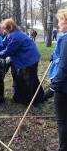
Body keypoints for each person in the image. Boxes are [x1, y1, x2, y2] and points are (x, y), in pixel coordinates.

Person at [0, 18, 44, 106]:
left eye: (4, 28)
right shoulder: (10, 34)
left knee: (28, 79)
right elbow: (3, 44)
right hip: (28, 57)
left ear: (9, 28)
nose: (3, 30)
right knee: (30, 78)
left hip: (30, 59)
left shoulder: (15, 36)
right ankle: (38, 97)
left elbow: (9, 51)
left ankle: (29, 101)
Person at [47, 9, 67, 151]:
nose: (58, 23)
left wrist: (53, 87)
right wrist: (54, 57)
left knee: (62, 121)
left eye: (60, 20)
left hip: (63, 87)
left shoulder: (66, 39)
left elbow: (64, 67)